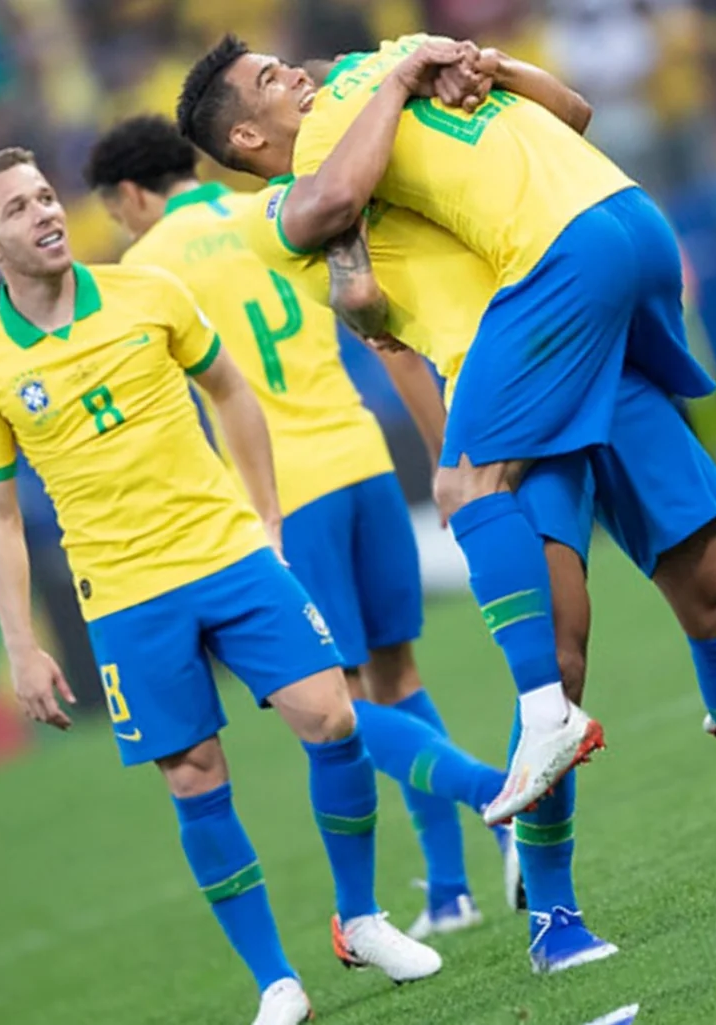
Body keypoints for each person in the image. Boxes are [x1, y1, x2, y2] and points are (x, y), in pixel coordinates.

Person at [177, 34, 716, 882]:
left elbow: (561, 122)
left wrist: (481, 69)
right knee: (558, 648)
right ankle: (554, 909)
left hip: (580, 333)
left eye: (282, 62)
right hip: (507, 371)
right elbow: (355, 280)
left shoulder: (374, 112)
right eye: (267, 79)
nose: (294, 72)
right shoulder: (284, 207)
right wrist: (402, 84)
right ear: (247, 141)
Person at [0, 147, 439, 1025]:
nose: (47, 214)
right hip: (127, 594)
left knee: (330, 715)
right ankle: (276, 982)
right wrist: (23, 644)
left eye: (48, 197)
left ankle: (361, 916)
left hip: (227, 552)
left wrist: (266, 519)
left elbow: (231, 391)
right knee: (194, 774)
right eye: (19, 209)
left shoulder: (146, 292)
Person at [83, 114, 520, 940]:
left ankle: (497, 799)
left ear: (132, 196)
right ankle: (452, 889)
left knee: (340, 706)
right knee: (396, 672)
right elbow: (373, 317)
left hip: (287, 492)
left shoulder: (145, 270)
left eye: (116, 210)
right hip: (361, 458)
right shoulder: (272, 210)